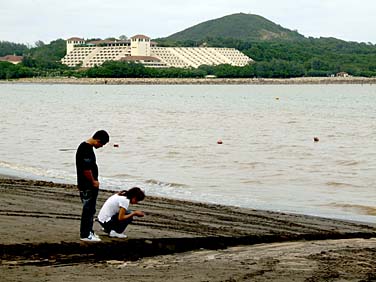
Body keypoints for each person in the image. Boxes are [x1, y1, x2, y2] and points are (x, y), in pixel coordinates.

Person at [76, 130, 109, 242]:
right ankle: (85, 234)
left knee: (91, 209)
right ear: (98, 140)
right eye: (101, 144)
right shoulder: (85, 149)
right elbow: (86, 169)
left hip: (85, 184)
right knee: (88, 209)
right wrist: (93, 181)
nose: (101, 146)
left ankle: (89, 231)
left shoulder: (86, 147)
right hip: (87, 184)